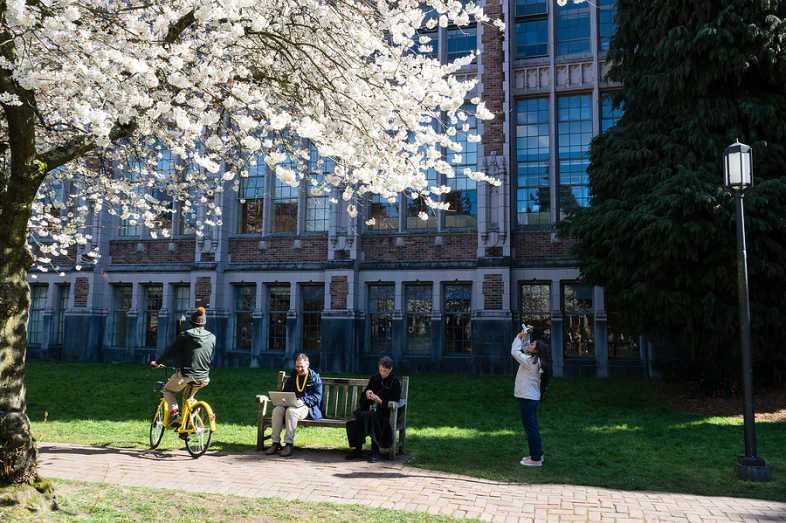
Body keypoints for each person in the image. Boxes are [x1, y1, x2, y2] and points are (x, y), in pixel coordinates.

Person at [150, 307, 215, 429]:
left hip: (185, 376)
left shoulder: (185, 335)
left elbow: (170, 352)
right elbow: (211, 355)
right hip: (204, 378)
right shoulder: (212, 337)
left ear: (190, 323)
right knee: (188, 397)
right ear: (204, 324)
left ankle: (175, 415)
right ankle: (188, 424)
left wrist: (157, 362)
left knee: (168, 390)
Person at [265, 353, 325, 457]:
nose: (299, 369)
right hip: (290, 404)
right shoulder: (292, 377)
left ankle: (288, 444)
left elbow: (317, 397)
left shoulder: (315, 378)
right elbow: (285, 392)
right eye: (297, 366)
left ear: (308, 364)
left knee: (291, 411)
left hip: (308, 407)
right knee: (277, 410)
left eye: (301, 366)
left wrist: (303, 401)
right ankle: (275, 443)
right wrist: (282, 399)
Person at [344, 356, 401, 463]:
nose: (382, 373)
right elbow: (364, 395)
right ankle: (358, 450)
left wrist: (380, 401)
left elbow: (395, 400)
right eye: (380, 370)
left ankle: (374, 451)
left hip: (386, 412)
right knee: (363, 417)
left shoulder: (394, 382)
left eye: (385, 371)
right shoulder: (374, 379)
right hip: (371, 410)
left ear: (390, 369)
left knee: (370, 416)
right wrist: (367, 396)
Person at [511, 324, 550, 467]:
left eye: (533, 344)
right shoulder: (535, 360)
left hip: (527, 399)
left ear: (537, 350)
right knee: (532, 427)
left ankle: (536, 459)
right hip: (531, 398)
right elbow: (526, 346)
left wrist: (518, 337)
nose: (530, 344)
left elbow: (515, 352)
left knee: (530, 428)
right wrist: (526, 334)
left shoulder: (531, 362)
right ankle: (537, 454)